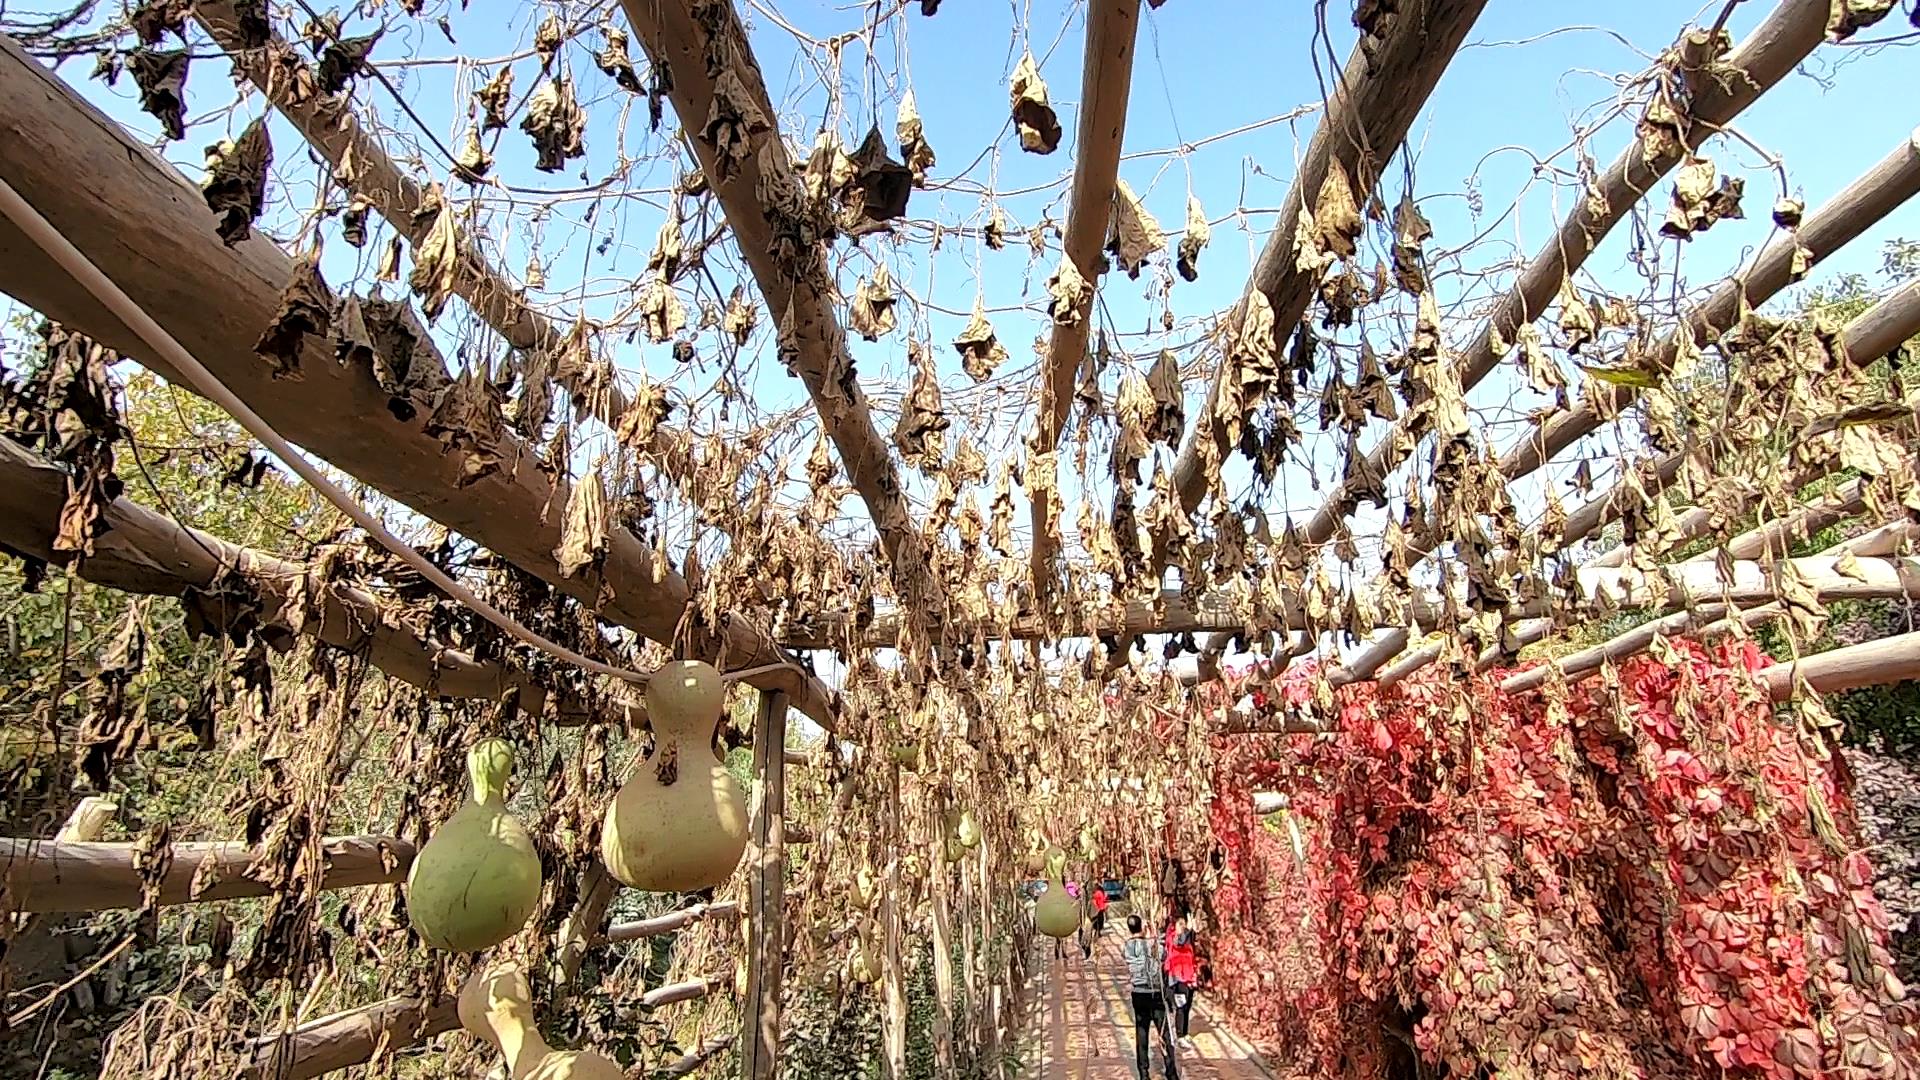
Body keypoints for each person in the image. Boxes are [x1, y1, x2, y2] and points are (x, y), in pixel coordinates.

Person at [1123, 914, 1179, 1080]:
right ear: (1142, 927)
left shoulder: (1127, 947)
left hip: (1138, 994)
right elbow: (1163, 955)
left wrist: (1144, 936)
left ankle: (1143, 1073)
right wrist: (1151, 934)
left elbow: (1131, 954)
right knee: (1164, 1033)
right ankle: (1171, 1072)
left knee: (1142, 1032)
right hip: (1155, 993)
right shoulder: (1153, 944)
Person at [1163, 913, 1199, 1047]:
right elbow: (1180, 941)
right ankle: (1179, 1035)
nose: (1183, 928)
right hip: (1178, 977)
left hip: (1189, 976)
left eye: (1184, 925)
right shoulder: (1173, 938)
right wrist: (1188, 930)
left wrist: (1192, 929)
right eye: (1180, 925)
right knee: (1181, 1006)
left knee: (1188, 1006)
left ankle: (1185, 1032)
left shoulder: (1187, 940)